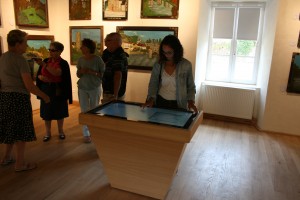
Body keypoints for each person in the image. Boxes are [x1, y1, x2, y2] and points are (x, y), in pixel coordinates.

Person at [0, 29, 50, 172]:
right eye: (25, 43)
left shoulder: (3, 57)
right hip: (18, 98)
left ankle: (6, 157)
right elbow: (29, 85)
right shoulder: (20, 59)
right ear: (17, 44)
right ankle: (20, 164)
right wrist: (44, 96)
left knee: (10, 128)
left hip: (4, 97)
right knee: (20, 132)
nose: (26, 46)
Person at [142, 35, 198, 113]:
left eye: (169, 52)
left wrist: (191, 102)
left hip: (179, 104)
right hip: (160, 102)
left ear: (177, 50)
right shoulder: (158, 65)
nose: (166, 55)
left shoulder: (186, 65)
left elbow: (191, 86)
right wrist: (151, 99)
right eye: (164, 52)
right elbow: (153, 84)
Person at [35, 41, 72, 142]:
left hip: (58, 90)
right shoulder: (46, 60)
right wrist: (41, 78)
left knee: (59, 111)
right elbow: (38, 74)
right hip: (46, 89)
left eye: (53, 50)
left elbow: (57, 73)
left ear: (60, 51)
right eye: (49, 50)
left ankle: (60, 131)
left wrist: (44, 65)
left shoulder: (62, 63)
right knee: (47, 112)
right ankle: (48, 133)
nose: (50, 52)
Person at [76, 38, 105, 143]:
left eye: (83, 46)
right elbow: (78, 75)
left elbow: (102, 74)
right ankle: (86, 133)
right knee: (84, 111)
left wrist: (91, 72)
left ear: (88, 47)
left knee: (94, 110)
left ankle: (94, 131)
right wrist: (81, 72)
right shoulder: (80, 59)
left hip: (94, 87)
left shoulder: (97, 59)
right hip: (82, 87)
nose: (81, 48)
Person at [102, 32, 128, 103]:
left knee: (112, 113)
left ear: (116, 41)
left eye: (107, 40)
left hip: (113, 93)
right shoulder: (106, 53)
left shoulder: (119, 55)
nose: (105, 43)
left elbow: (118, 75)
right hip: (107, 90)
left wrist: (115, 95)